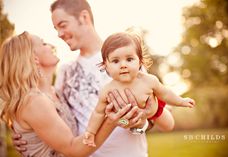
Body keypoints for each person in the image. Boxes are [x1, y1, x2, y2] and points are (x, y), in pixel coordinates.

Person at [13, 0, 176, 156]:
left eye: (62, 25)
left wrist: (141, 122)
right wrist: (29, 136)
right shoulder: (65, 71)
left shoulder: (125, 60)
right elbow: (57, 119)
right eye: (56, 29)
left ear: (84, 17)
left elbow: (161, 120)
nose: (59, 34)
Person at [0, 32, 131, 157]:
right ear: (33, 58)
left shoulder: (54, 92)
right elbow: (73, 149)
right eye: (43, 43)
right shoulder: (34, 102)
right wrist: (112, 121)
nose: (51, 45)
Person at [83, 32, 195, 147]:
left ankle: (167, 108)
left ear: (140, 61)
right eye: (116, 61)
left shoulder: (148, 81)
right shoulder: (107, 91)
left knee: (168, 125)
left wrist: (181, 101)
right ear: (105, 65)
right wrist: (91, 132)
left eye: (129, 59)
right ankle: (142, 123)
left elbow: (165, 93)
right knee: (128, 124)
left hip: (152, 107)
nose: (123, 65)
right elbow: (98, 112)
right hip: (128, 119)